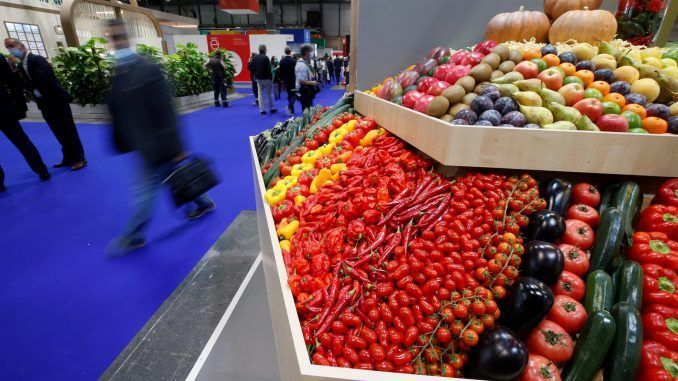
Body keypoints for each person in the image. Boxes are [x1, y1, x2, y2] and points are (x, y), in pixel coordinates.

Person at [106, 19, 216, 254]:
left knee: (145, 193)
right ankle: (204, 202)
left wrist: (177, 147)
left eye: (119, 37)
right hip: (143, 145)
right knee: (175, 179)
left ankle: (132, 236)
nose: (117, 42)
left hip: (158, 145)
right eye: (113, 38)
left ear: (127, 38)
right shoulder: (119, 72)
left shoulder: (147, 69)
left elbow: (166, 110)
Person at [5, 38, 87, 171]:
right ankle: (68, 157)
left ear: (22, 46)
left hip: (57, 100)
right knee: (57, 131)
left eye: (11, 46)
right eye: (7, 47)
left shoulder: (37, 59)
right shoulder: (20, 66)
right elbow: (20, 85)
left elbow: (43, 79)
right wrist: (14, 69)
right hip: (43, 103)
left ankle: (79, 158)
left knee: (68, 130)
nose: (10, 50)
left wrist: (27, 83)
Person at [0, 53, 50, 183]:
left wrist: (20, 106)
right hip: (4, 108)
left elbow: (11, 82)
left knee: (22, 141)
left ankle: (41, 169)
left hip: (4, 109)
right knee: (22, 141)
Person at [251, 44, 276, 115]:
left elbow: (253, 69)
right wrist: (271, 78)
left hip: (258, 78)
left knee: (260, 93)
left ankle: (262, 110)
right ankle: (271, 108)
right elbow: (268, 69)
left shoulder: (255, 58)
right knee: (269, 93)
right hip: (266, 78)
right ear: (265, 50)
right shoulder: (266, 58)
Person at [295, 45, 318, 112]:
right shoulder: (302, 65)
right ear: (306, 53)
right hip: (304, 92)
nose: (311, 54)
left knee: (308, 109)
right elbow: (301, 81)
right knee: (307, 111)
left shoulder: (305, 63)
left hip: (306, 91)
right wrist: (312, 82)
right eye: (310, 52)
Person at [278, 47, 297, 115]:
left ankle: (292, 110)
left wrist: (281, 79)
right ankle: (289, 106)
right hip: (293, 80)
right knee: (295, 94)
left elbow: (280, 72)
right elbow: (296, 71)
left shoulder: (282, 61)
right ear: (290, 52)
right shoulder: (293, 60)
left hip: (286, 80)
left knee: (289, 95)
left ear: (285, 52)